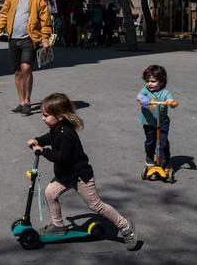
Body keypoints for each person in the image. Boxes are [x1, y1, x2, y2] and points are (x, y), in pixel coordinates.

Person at [27, 93, 138, 251]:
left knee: (96, 205)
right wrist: (38, 140)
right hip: (65, 175)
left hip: (80, 176)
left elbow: (61, 157)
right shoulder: (57, 128)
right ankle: (58, 225)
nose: (42, 118)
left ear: (60, 116)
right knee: (50, 193)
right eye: (42, 115)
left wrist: (42, 151)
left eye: (45, 115)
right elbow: (50, 137)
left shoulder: (67, 134)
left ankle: (126, 226)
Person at [0, 0, 52, 116]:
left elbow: (46, 20)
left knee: (26, 68)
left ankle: (27, 101)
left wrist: (45, 39)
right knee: (18, 72)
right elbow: (3, 15)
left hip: (29, 39)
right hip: (13, 39)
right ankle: (21, 102)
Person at [137, 65, 176, 169]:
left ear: (161, 82)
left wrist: (171, 102)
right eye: (147, 81)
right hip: (148, 121)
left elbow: (172, 103)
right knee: (150, 141)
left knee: (163, 142)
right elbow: (139, 96)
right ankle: (149, 157)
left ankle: (165, 160)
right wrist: (143, 99)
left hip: (162, 121)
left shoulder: (165, 93)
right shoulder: (145, 90)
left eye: (153, 81)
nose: (149, 83)